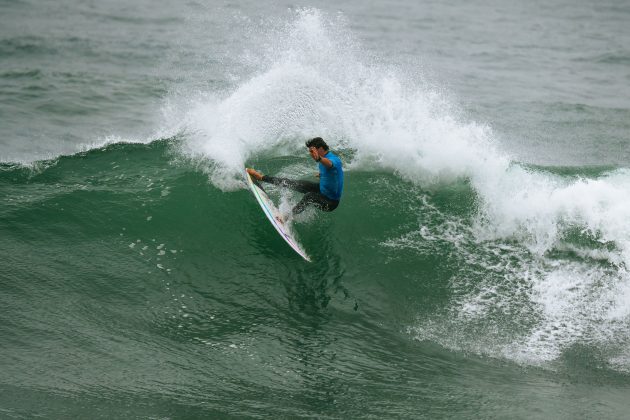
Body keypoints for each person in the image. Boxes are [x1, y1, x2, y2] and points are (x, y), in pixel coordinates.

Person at [246, 137, 344, 220]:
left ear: (320, 149)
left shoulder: (333, 160)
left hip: (330, 202)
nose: (310, 154)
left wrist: (319, 158)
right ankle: (261, 177)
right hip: (322, 189)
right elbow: (332, 171)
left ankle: (286, 217)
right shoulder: (324, 159)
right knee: (291, 183)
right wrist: (322, 175)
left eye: (312, 151)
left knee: (309, 196)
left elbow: (330, 164)